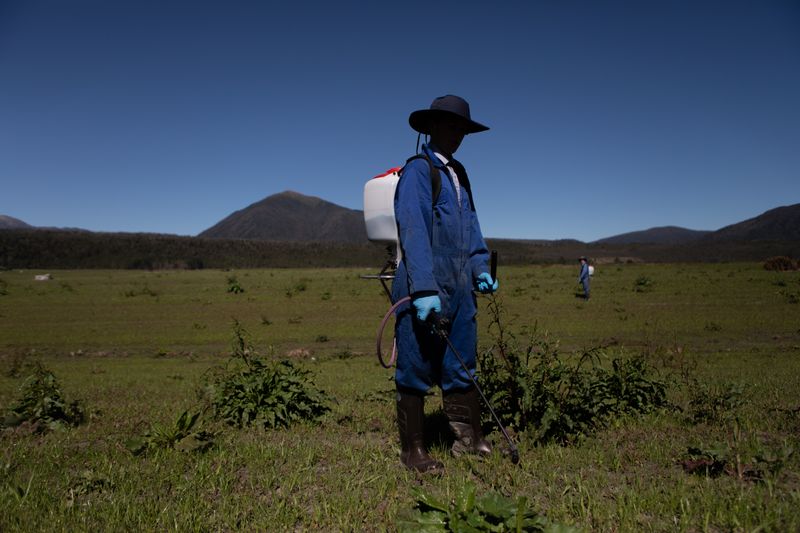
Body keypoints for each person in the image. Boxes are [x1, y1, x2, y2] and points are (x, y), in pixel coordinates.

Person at [391, 95, 498, 473]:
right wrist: (422, 288)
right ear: (433, 127)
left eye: (462, 129)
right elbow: (413, 228)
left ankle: (469, 441)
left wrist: (480, 266)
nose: (457, 135)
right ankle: (413, 451)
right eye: (450, 126)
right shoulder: (419, 171)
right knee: (416, 363)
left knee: (462, 361)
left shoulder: (460, 174)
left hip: (459, 285)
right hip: (424, 279)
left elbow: (472, 226)